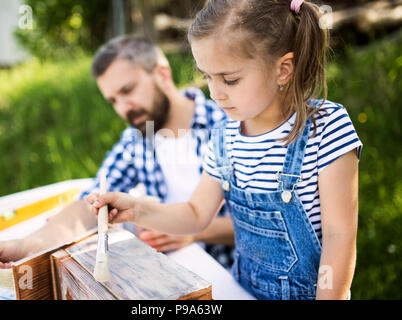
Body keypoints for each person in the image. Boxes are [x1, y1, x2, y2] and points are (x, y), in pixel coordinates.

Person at [86, 0, 363, 300]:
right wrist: (136, 209)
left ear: (283, 69)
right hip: (242, 290)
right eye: (207, 76)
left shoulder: (326, 128)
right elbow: (195, 214)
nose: (215, 93)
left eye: (230, 79)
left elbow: (339, 237)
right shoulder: (224, 137)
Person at [0, 36, 235, 289]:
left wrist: (195, 232)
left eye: (128, 90)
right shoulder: (137, 139)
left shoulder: (227, 124)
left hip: (231, 277)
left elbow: (268, 224)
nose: (124, 108)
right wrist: (28, 245)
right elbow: (90, 204)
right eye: (113, 100)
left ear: (162, 73)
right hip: (175, 275)